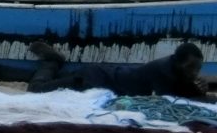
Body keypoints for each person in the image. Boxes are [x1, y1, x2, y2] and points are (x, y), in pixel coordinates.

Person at [26, 40, 212, 101]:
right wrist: (198, 91)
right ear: (177, 62)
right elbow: (172, 99)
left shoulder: (174, 69)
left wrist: (198, 87)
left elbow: (185, 89)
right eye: (190, 68)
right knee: (36, 89)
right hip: (95, 79)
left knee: (59, 81)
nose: (194, 73)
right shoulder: (164, 72)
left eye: (197, 69)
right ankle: (51, 61)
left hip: (108, 73)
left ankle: (56, 68)